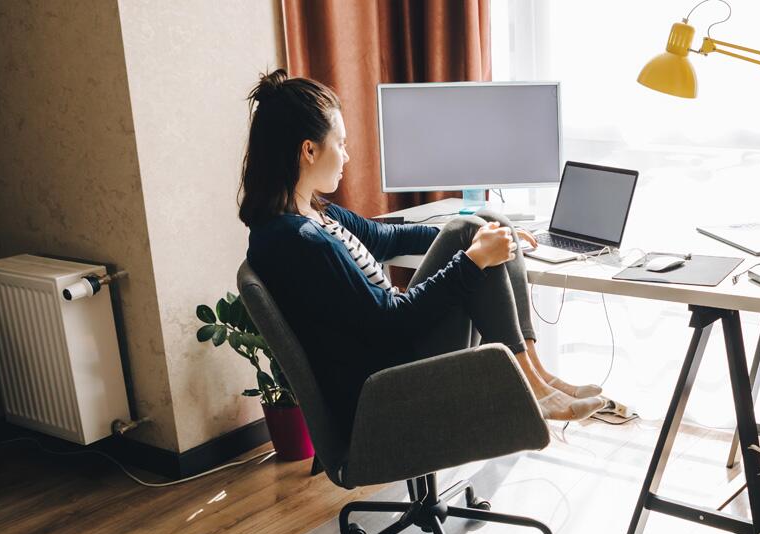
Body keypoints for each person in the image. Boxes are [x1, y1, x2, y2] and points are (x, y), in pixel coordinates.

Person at [239, 69, 605, 437]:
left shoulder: (315, 216)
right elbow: (391, 324)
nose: (347, 156)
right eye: (341, 143)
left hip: (395, 355)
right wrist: (473, 259)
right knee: (473, 238)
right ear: (309, 150)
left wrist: (485, 236)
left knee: (484, 222)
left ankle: (537, 375)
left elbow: (386, 238)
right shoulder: (302, 242)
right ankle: (532, 388)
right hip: (389, 386)